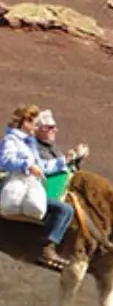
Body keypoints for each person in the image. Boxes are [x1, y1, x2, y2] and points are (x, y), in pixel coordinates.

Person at [0, 104, 77, 271]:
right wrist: (27, 166)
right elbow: (5, 161)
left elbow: (41, 166)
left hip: (30, 185)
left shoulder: (29, 143)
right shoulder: (11, 140)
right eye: (34, 123)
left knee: (66, 210)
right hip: (18, 185)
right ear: (25, 122)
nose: (36, 127)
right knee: (64, 210)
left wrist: (64, 161)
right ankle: (46, 250)